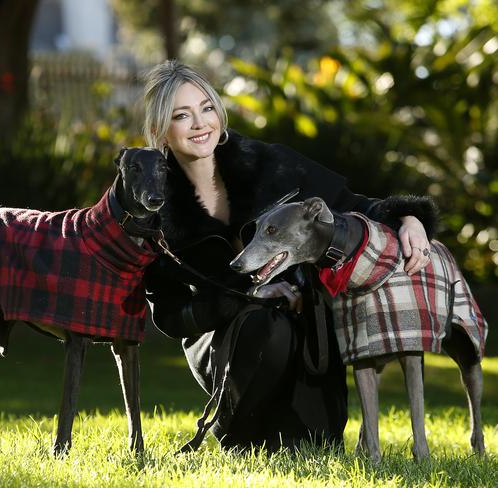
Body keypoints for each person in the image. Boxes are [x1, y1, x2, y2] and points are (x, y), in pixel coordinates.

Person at [142, 60, 437, 451]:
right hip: (224, 344)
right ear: (162, 130)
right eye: (183, 115)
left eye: (207, 108)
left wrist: (409, 218)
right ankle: (229, 431)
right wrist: (241, 298)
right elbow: (169, 315)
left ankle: (267, 427)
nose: (200, 123)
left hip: (308, 337)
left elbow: (354, 207)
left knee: (314, 446)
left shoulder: (272, 165)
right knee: (264, 324)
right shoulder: (156, 210)